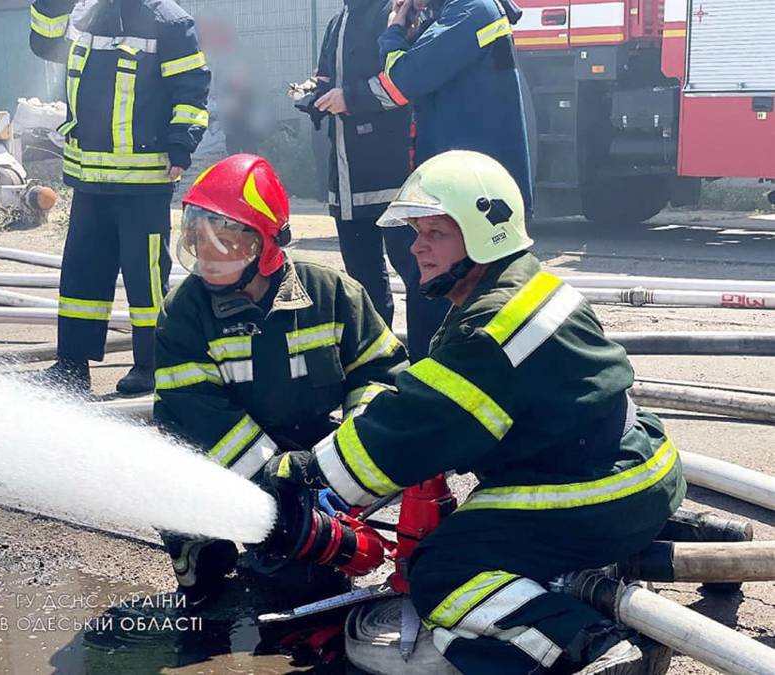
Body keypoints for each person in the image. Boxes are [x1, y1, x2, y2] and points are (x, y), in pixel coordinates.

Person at [263, 151, 686, 674]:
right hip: (643, 468)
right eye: (416, 231)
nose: (416, 246)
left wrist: (308, 472)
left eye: (435, 233)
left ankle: (589, 644)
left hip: (599, 493)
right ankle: (625, 558)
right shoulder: (524, 283)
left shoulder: (489, 327)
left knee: (444, 572)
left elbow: (414, 427)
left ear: (486, 233)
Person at [152, 153, 408, 605]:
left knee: (300, 584)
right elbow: (197, 413)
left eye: (226, 242)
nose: (208, 256)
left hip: (310, 454)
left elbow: (381, 374)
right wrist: (273, 475)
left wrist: (342, 464)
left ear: (266, 245)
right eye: (198, 239)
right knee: (202, 572)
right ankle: (197, 547)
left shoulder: (333, 295)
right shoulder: (186, 311)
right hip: (216, 460)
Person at [30, 0, 210, 395]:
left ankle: (150, 365)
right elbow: (44, 45)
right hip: (88, 177)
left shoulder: (170, 21)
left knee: (145, 281)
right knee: (81, 274)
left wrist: (181, 144)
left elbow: (192, 91)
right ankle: (72, 366)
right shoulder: (85, 12)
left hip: (143, 180)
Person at [304, 0, 449, 361]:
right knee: (362, 284)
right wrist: (313, 93)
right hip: (347, 179)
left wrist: (349, 98)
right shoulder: (339, 21)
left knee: (419, 274)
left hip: (392, 175)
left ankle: (424, 364)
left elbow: (405, 81)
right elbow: (327, 74)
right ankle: (378, 366)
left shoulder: (394, 11)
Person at [378, 0, 533, 213]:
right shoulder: (462, 13)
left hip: (476, 195)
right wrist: (411, 37)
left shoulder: (470, 12)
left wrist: (393, 34)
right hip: (469, 188)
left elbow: (404, 79)